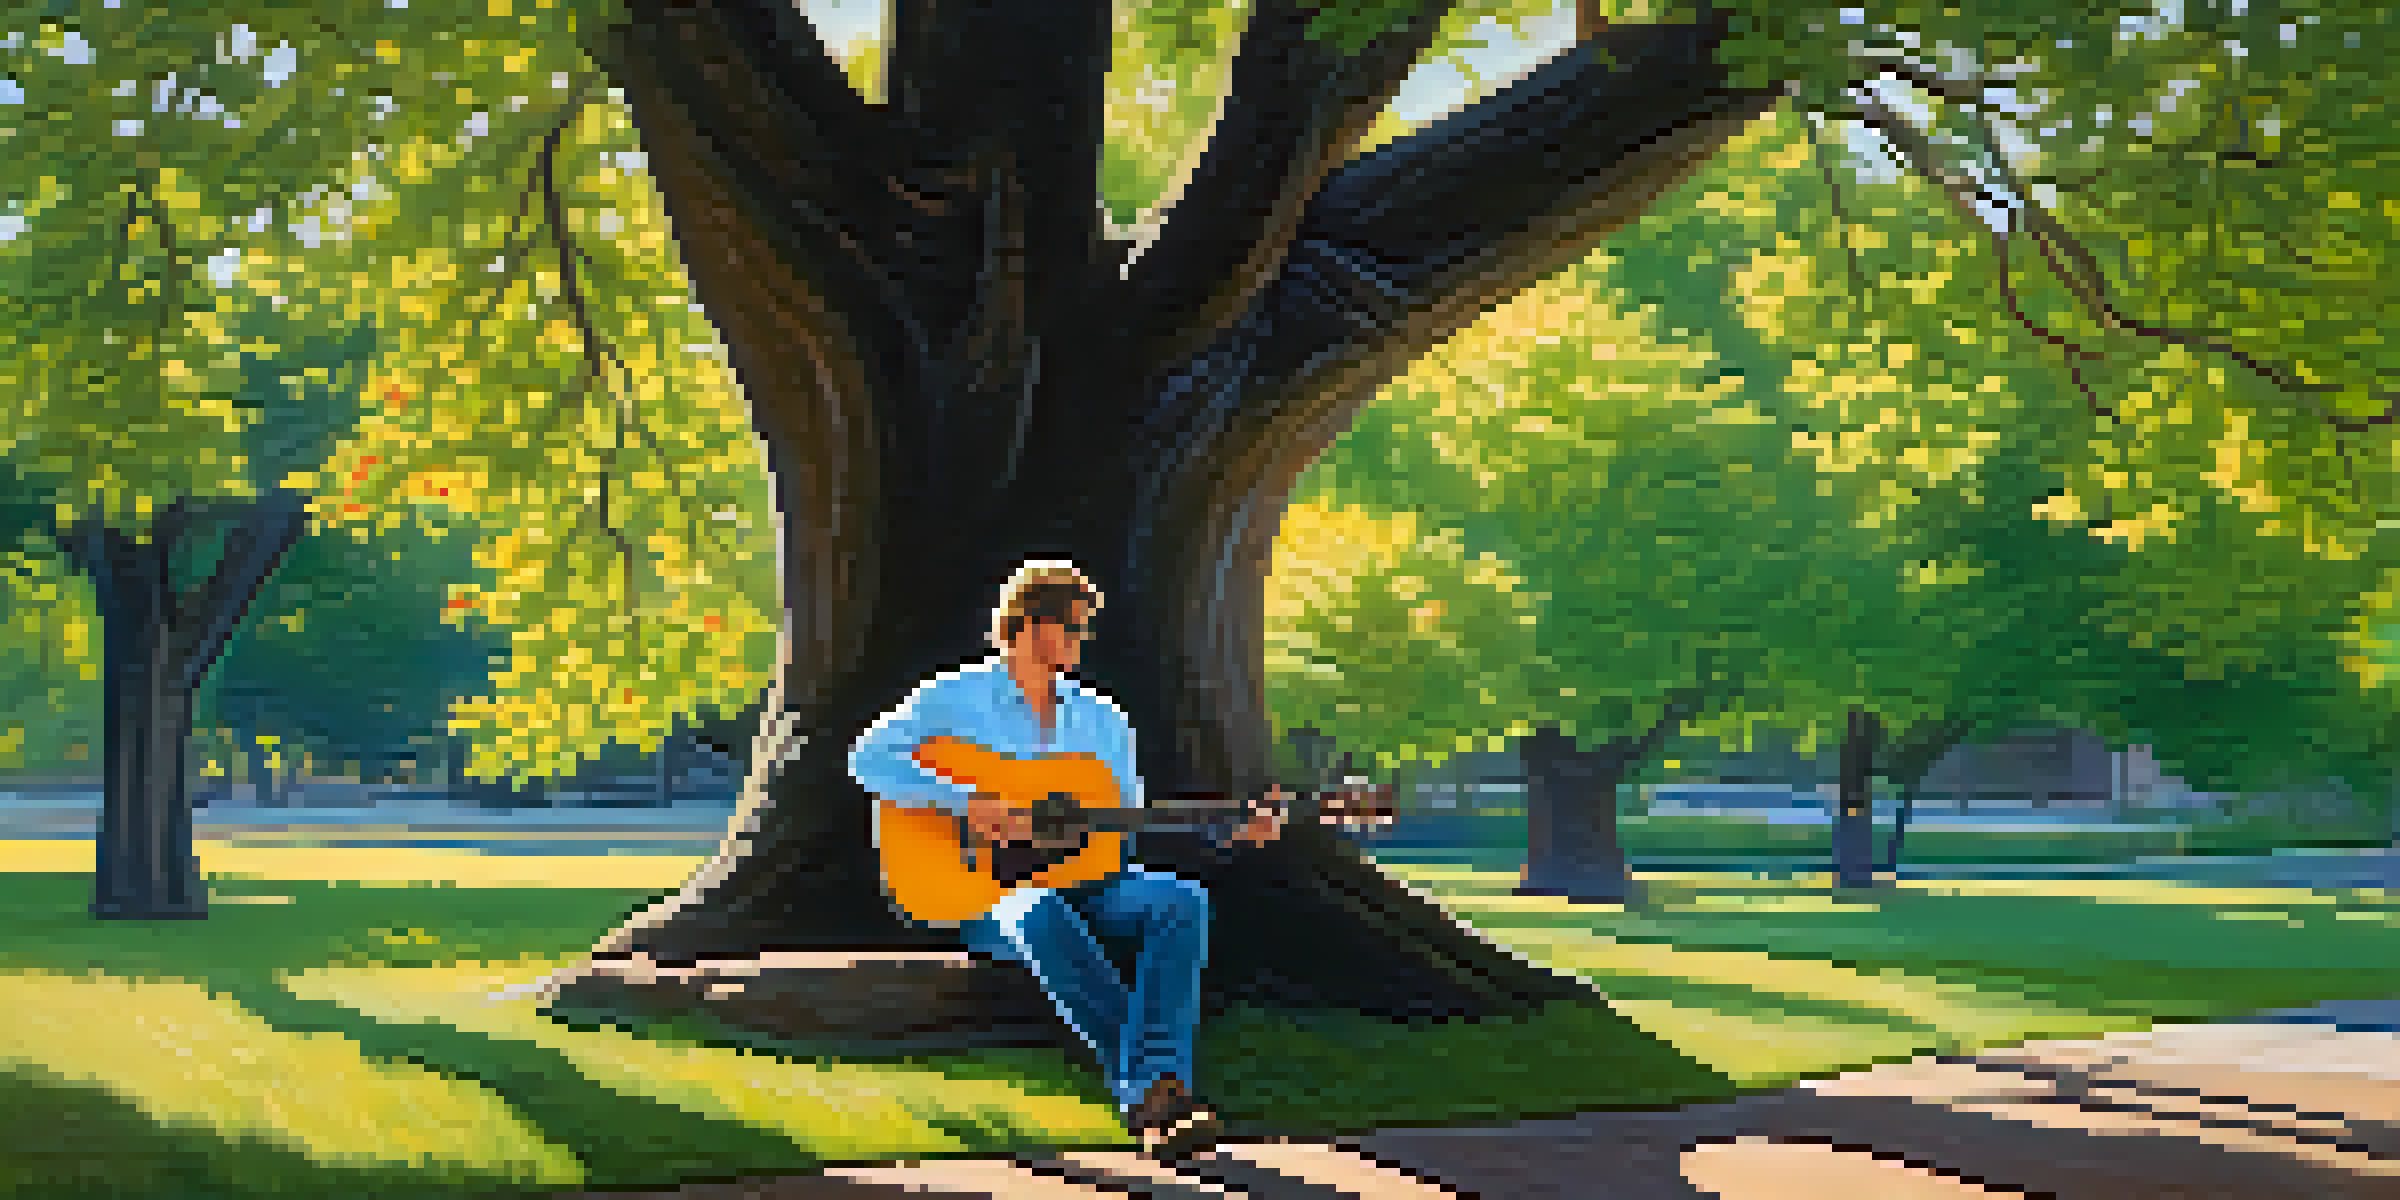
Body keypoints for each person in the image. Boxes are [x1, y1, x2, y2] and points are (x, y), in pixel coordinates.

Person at [847, 559, 1284, 1161]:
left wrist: (1224, 834)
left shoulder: (1102, 718)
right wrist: (964, 801)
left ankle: (1150, 1088)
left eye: (1084, 630)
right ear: (1024, 626)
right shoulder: (953, 698)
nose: (1082, 642)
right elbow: (866, 761)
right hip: (984, 891)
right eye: (1072, 629)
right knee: (1040, 906)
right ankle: (1155, 1088)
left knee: (1181, 900)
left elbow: (1126, 829)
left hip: (1094, 883)